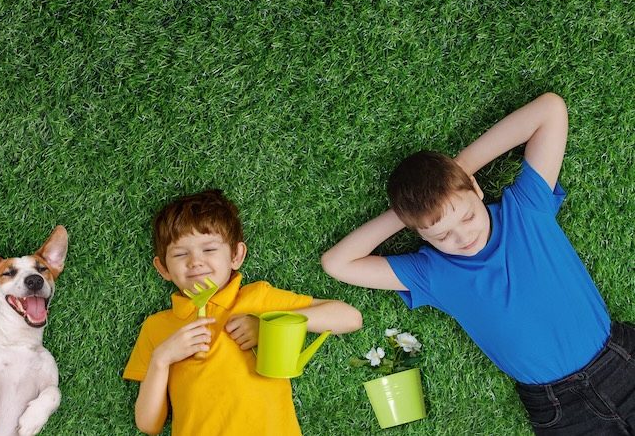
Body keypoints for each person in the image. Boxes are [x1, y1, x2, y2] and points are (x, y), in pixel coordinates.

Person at [321, 92, 635, 434]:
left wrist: (457, 172)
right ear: (422, 237)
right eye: (441, 235)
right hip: (558, 406)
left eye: (467, 216)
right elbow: (337, 263)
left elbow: (550, 110)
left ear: (476, 188)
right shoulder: (431, 272)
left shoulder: (525, 210)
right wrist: (412, 216)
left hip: (620, 361)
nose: (462, 237)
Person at [124, 189, 362, 435]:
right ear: (163, 268)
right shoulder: (156, 327)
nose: (195, 261)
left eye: (209, 249)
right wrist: (162, 359)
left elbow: (349, 317)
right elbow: (149, 425)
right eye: (181, 253)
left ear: (236, 256)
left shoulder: (257, 298)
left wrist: (269, 327)